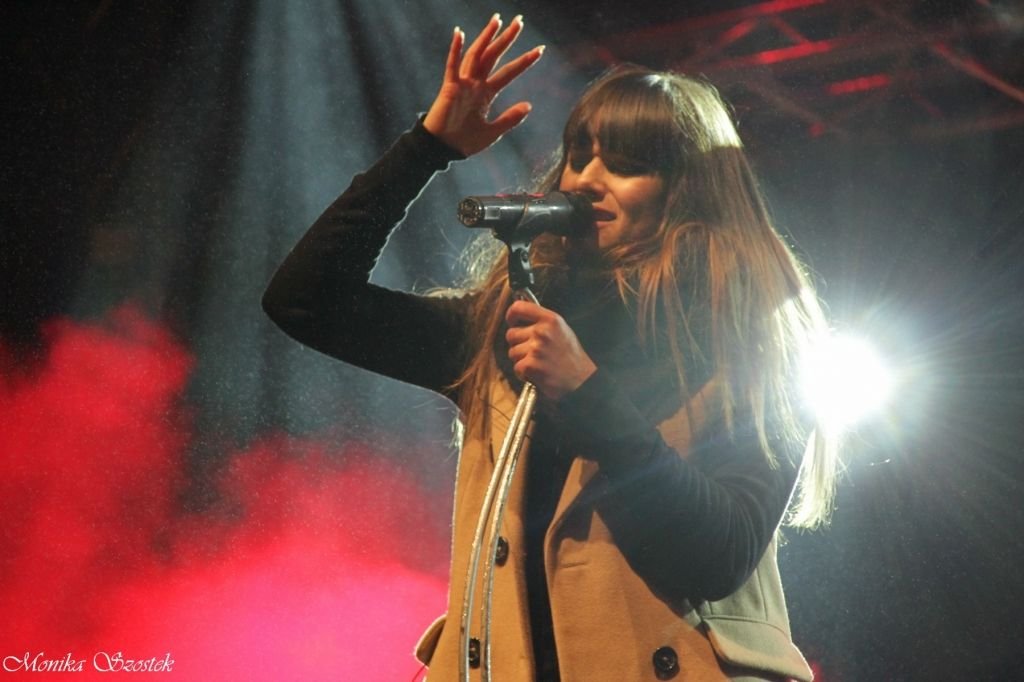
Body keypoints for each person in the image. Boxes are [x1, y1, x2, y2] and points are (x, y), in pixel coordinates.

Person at [263, 13, 837, 682]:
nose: (587, 180)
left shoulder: (759, 342)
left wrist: (588, 395)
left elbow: (718, 557)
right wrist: (426, 147)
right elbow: (305, 301)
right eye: (579, 156)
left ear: (689, 191)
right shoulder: (503, 328)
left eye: (626, 165)